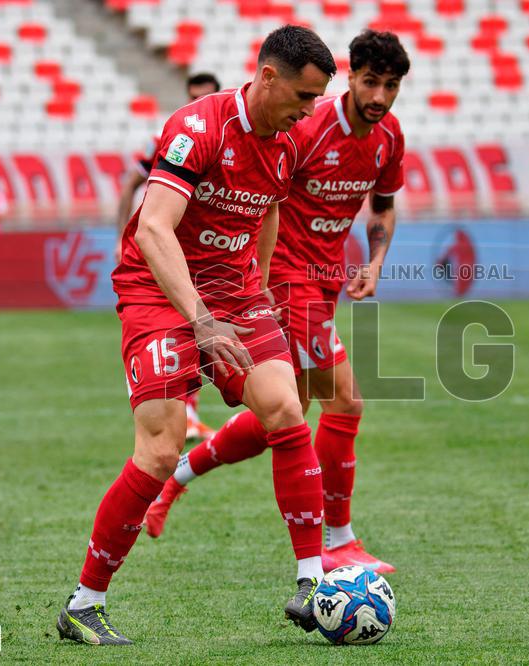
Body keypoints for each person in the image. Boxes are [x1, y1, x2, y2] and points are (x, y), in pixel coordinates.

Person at [56, 26, 336, 645]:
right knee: (158, 449)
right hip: (157, 289)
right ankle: (83, 604)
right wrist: (203, 323)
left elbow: (267, 211)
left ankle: (314, 585)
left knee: (286, 411)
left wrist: (257, 291)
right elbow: (154, 230)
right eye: (303, 95)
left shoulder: (288, 143)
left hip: (234, 292)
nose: (309, 110)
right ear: (267, 77)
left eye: (317, 100)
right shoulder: (197, 129)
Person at [144, 30, 409, 575]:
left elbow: (382, 206)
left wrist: (375, 263)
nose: (379, 96)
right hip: (288, 283)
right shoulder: (306, 128)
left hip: (325, 282)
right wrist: (261, 285)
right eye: (370, 82)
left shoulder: (388, 137)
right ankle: (337, 541)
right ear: (351, 78)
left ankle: (177, 479)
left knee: (286, 417)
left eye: (391, 86)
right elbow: (268, 203)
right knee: (346, 401)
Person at [115, 73, 223, 442]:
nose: (196, 101)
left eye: (203, 96)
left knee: (200, 330)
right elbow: (131, 183)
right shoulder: (171, 137)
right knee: (179, 326)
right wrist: (121, 237)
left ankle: (188, 413)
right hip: (162, 248)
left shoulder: (227, 138)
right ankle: (172, 411)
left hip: (205, 254)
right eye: (191, 95)